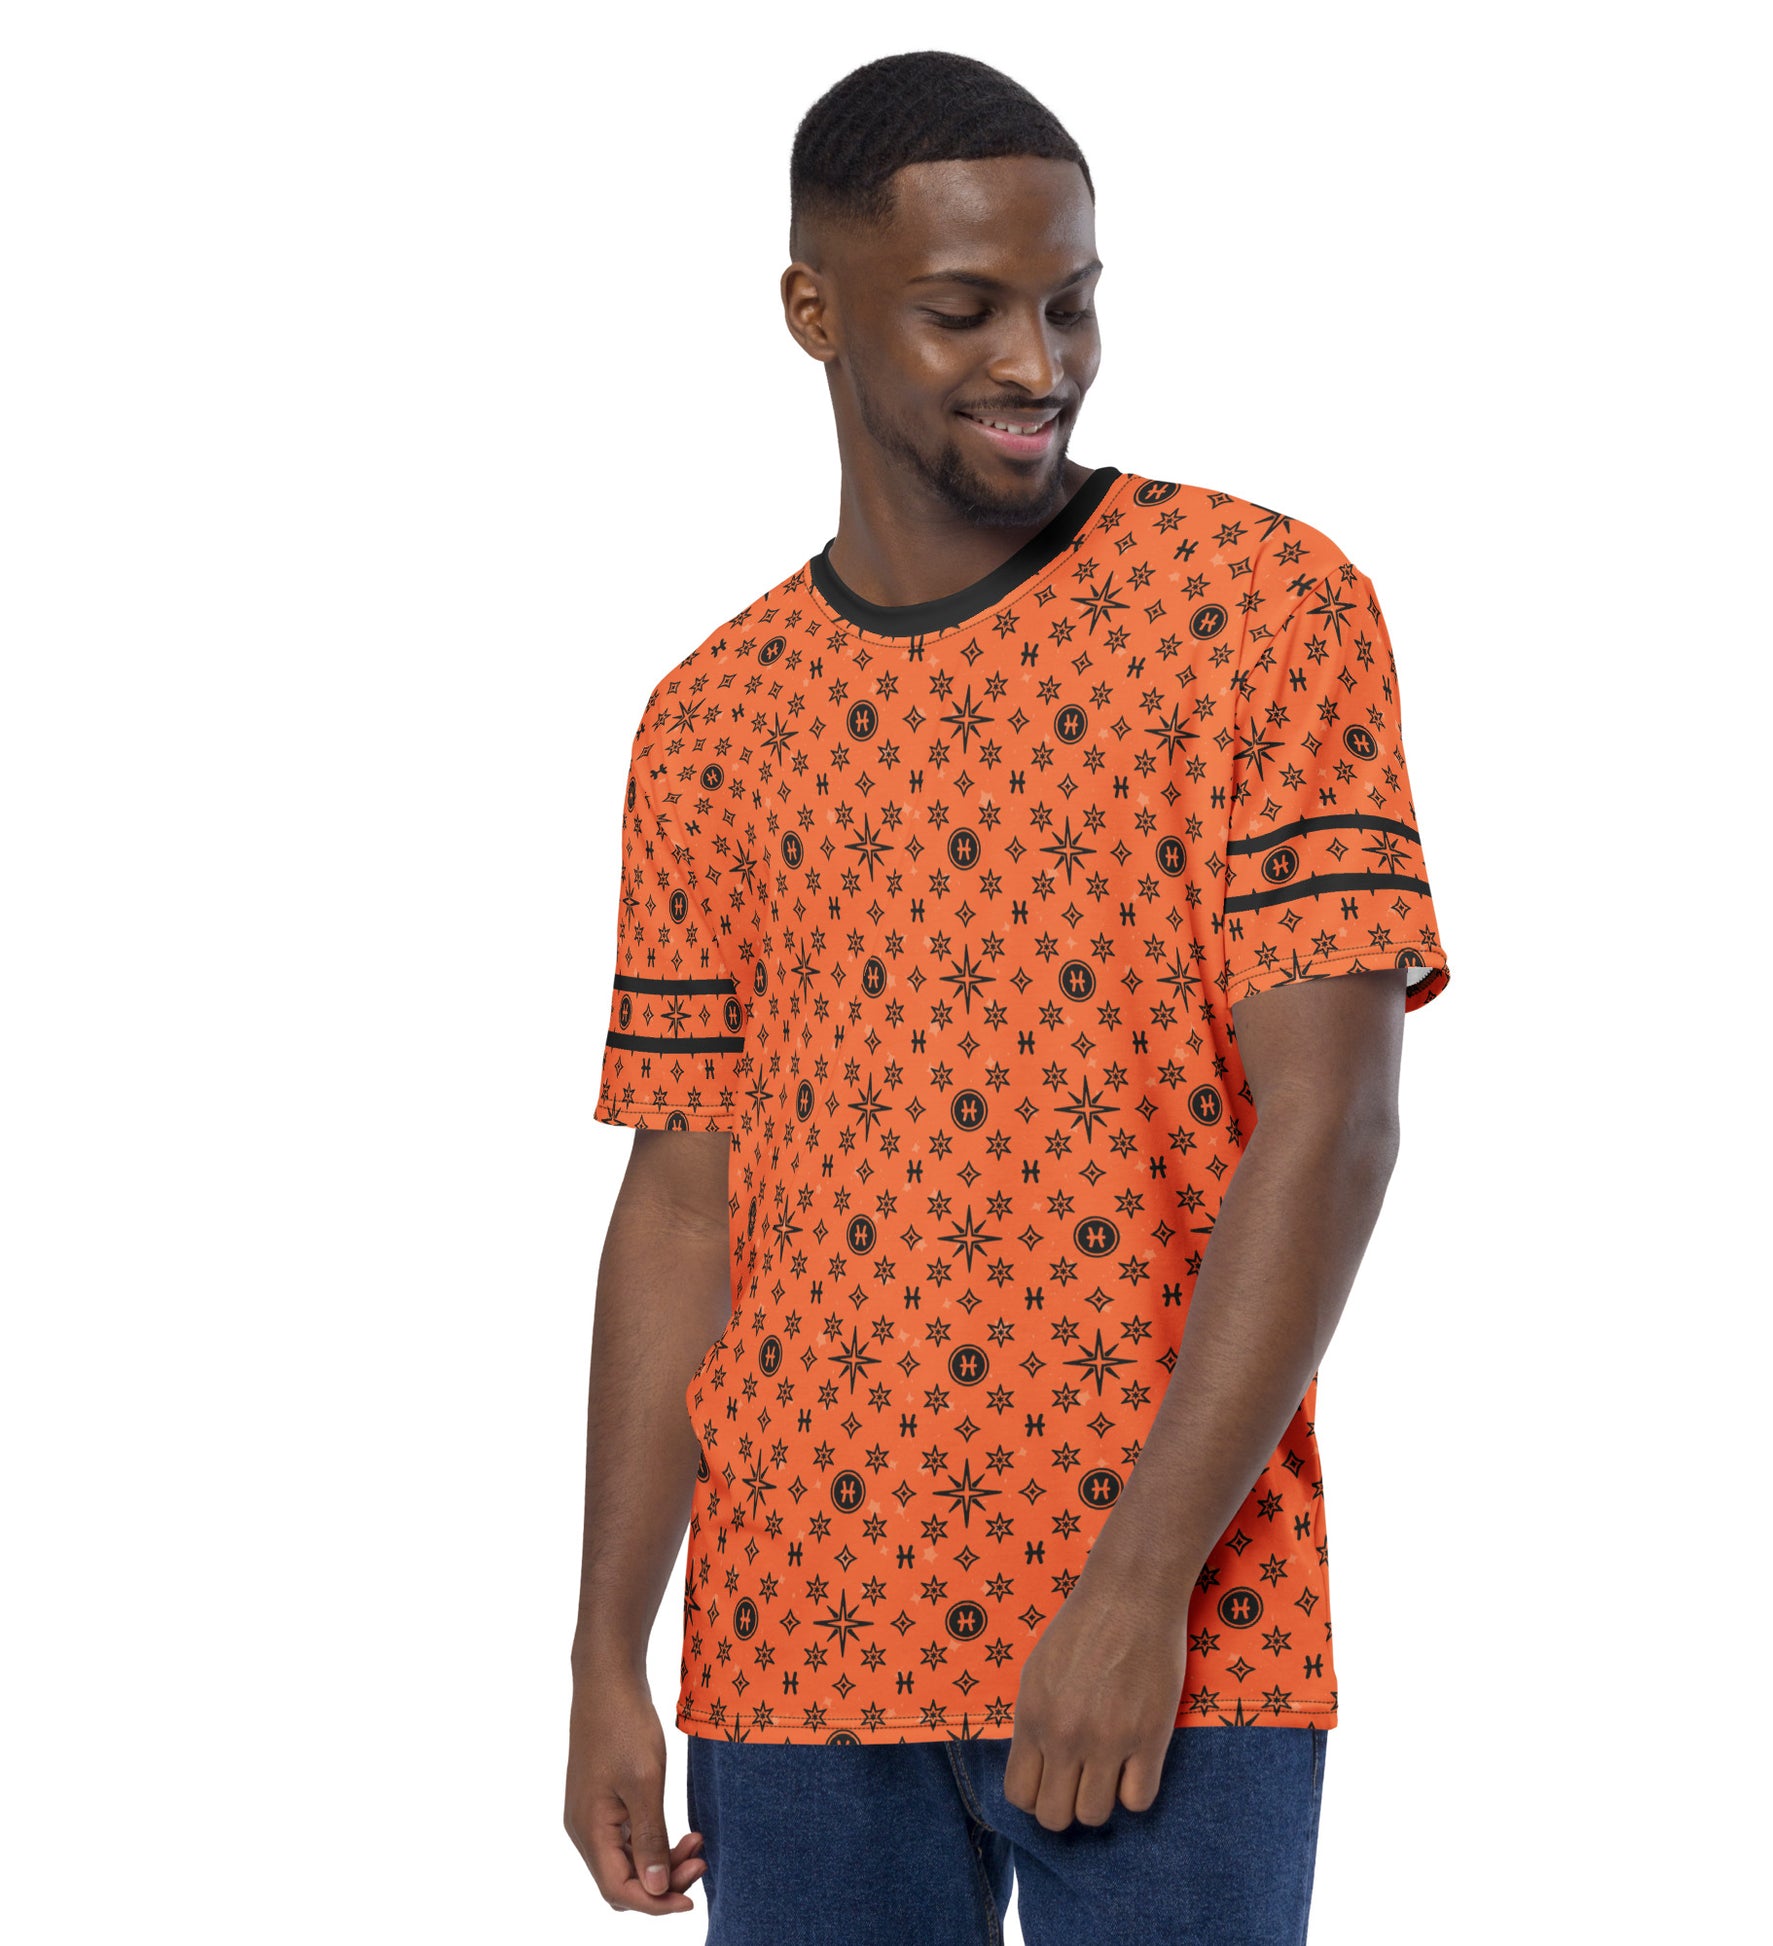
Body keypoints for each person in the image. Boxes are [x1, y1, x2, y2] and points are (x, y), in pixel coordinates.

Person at [563, 48, 1451, 1946]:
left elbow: (1333, 1122)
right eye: (965, 310)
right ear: (813, 311)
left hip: (1171, 1630)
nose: (1036, 362)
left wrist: (1135, 1583)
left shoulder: (1260, 608)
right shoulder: (707, 721)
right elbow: (683, 1199)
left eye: (1072, 303)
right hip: (789, 1637)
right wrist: (603, 1651)